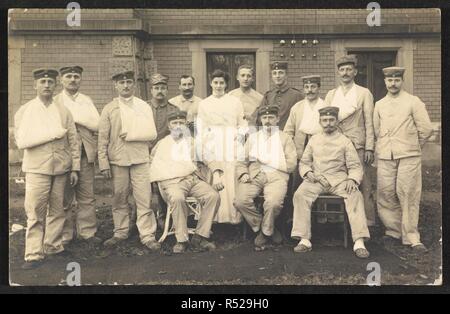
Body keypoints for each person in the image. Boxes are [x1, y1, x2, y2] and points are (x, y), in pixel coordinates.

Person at [14, 68, 80, 269]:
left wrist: (75, 167)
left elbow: (73, 139)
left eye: (50, 82)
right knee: (35, 211)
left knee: (58, 209)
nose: (46, 86)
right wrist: (50, 134)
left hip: (60, 167)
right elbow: (21, 140)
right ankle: (33, 253)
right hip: (37, 168)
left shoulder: (63, 110)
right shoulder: (26, 110)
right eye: (42, 82)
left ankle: (53, 246)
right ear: (35, 85)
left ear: (55, 85)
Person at [291, 106, 371, 259]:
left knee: (355, 195)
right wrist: (308, 173)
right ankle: (304, 239)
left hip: (339, 180)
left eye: (331, 120)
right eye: (325, 120)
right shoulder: (314, 140)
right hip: (317, 179)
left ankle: (359, 241)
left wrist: (352, 179)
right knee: (300, 194)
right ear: (320, 122)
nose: (328, 123)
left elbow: (355, 166)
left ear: (336, 121)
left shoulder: (345, 141)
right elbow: (305, 162)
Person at [97, 70, 160, 251]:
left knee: (144, 198)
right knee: (119, 198)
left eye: (129, 82)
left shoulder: (143, 106)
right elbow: (103, 138)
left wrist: (135, 135)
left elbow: (151, 134)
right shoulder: (109, 108)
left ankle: (147, 234)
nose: (126, 85)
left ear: (134, 84)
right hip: (118, 160)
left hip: (140, 158)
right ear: (115, 86)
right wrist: (103, 163)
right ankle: (120, 232)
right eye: (122, 82)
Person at [374, 66, 433, 253]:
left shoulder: (413, 102)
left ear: (402, 81)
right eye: (390, 80)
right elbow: (377, 130)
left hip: (408, 155)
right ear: (385, 82)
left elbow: (426, 129)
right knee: (386, 193)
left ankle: (412, 237)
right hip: (385, 155)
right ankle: (393, 231)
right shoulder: (379, 104)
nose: (393, 83)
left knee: (408, 194)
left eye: (396, 80)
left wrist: (412, 146)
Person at [149, 110, 222, 253]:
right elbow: (153, 164)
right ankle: (181, 240)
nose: (177, 126)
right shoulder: (162, 144)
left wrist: (217, 174)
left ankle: (200, 236)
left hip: (191, 180)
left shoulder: (192, 142)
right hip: (171, 183)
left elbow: (210, 158)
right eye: (174, 123)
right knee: (177, 198)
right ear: (169, 126)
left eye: (181, 123)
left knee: (213, 196)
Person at [234, 105, 297, 250]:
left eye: (271, 117)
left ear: (277, 119)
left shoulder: (285, 138)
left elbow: (291, 164)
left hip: (277, 176)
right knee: (240, 201)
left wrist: (270, 161)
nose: (268, 121)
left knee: (273, 203)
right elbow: (241, 161)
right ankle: (265, 227)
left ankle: (265, 232)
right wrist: (243, 173)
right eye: (265, 118)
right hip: (255, 175)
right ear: (261, 120)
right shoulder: (253, 138)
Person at [325, 54, 377, 227]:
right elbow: (326, 123)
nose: (345, 73)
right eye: (342, 70)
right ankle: (338, 221)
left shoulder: (363, 93)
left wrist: (369, 147)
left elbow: (369, 122)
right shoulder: (332, 94)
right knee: (339, 181)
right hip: (337, 144)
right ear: (338, 73)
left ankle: (368, 222)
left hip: (358, 144)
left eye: (349, 69)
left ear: (355, 72)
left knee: (364, 183)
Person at [55, 65, 102, 246]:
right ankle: (66, 234)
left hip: (85, 154)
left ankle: (87, 232)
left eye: (76, 76)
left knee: (86, 195)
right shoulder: (56, 101)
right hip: (64, 155)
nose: (73, 79)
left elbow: (96, 124)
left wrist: (78, 120)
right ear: (61, 80)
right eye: (69, 76)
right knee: (65, 196)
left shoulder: (86, 100)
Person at [196, 69, 248, 224]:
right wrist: (204, 145)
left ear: (226, 84)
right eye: (215, 82)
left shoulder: (235, 102)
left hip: (231, 141)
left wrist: (239, 138)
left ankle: (232, 217)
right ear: (211, 83)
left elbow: (242, 123)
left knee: (230, 176)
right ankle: (214, 218)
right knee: (216, 175)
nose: (218, 86)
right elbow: (201, 127)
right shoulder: (204, 104)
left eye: (221, 83)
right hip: (212, 142)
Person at [250, 61, 302, 129]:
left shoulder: (297, 95)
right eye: (274, 73)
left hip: (289, 135)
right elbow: (258, 116)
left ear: (286, 75)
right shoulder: (268, 96)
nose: (277, 76)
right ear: (272, 76)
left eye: (281, 73)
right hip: (271, 135)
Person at [148, 73, 180, 150]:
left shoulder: (174, 110)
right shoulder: (144, 108)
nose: (160, 91)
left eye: (163, 88)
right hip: (146, 149)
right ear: (151, 91)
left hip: (166, 149)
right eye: (156, 88)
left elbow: (177, 133)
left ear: (167, 90)